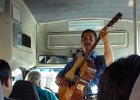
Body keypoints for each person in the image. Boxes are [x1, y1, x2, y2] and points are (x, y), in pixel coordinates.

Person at [55, 29, 113, 99]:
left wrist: (106, 42)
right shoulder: (75, 62)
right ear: (81, 42)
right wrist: (61, 80)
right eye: (84, 39)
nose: (87, 41)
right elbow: (58, 78)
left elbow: (109, 62)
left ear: (95, 42)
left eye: (91, 39)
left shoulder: (100, 60)